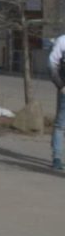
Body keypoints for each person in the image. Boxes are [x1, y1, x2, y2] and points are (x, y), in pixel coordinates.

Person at [47, 33, 65, 170]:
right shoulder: (62, 41)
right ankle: (57, 157)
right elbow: (51, 64)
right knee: (61, 124)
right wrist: (61, 86)